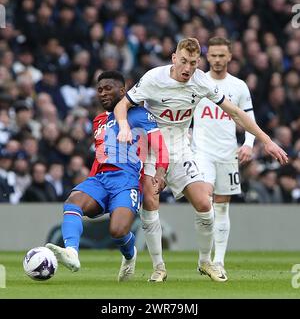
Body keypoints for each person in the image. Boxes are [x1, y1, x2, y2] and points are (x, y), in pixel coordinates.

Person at [114, 37, 288, 283]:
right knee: (150, 202)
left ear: (199, 63)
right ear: (174, 58)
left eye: (193, 63)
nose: (187, 68)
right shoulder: (154, 78)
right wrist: (123, 126)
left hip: (181, 149)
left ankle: (205, 262)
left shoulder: (201, 82)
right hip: (151, 151)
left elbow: (236, 112)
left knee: (205, 205)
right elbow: (122, 104)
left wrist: (266, 140)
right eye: (183, 61)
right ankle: (158, 267)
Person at [46, 71, 169, 282]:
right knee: (73, 202)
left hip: (126, 181)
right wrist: (89, 183)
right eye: (99, 90)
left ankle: (130, 256)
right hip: (100, 179)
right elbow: (100, 156)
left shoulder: (140, 114)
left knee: (118, 231)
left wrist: (160, 171)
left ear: (123, 91)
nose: (102, 93)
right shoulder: (99, 120)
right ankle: (72, 253)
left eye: (108, 88)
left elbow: (160, 147)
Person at [191, 37, 256, 276]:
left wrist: (248, 143)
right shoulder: (197, 81)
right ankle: (204, 258)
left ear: (230, 57)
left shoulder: (238, 86)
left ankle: (218, 261)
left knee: (222, 207)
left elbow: (248, 118)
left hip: (228, 153)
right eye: (214, 55)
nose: (217, 60)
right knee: (205, 202)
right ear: (207, 57)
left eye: (222, 56)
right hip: (202, 152)